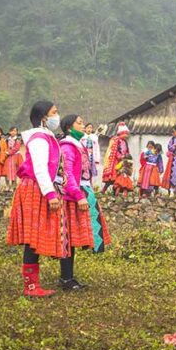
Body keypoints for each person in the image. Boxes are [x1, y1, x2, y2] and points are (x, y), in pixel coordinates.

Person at [6, 101, 65, 298]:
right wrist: (50, 193)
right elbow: (40, 168)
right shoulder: (39, 139)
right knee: (32, 238)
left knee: (35, 237)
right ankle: (31, 286)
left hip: (39, 187)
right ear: (43, 117)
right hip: (35, 188)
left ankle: (33, 284)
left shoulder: (46, 137)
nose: (57, 116)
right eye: (54, 112)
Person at [59, 114, 111, 288]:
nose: (83, 126)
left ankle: (68, 276)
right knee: (69, 237)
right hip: (72, 196)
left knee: (73, 238)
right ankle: (66, 278)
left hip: (81, 192)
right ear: (69, 128)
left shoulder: (78, 145)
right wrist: (79, 195)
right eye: (79, 123)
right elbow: (67, 174)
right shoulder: (67, 147)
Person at [76, 121, 110, 254]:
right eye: (84, 126)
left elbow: (95, 150)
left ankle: (94, 246)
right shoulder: (75, 144)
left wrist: (95, 159)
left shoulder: (92, 139)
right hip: (76, 187)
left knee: (94, 214)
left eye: (89, 127)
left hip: (84, 183)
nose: (87, 129)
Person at [101, 123, 130, 194]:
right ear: (120, 133)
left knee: (120, 177)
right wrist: (120, 156)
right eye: (125, 134)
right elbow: (114, 151)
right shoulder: (116, 140)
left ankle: (115, 192)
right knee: (112, 178)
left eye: (127, 134)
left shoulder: (125, 141)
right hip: (116, 161)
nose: (126, 135)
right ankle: (104, 190)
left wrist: (126, 157)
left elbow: (126, 150)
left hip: (122, 161)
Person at [161, 125, 176, 197]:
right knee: (171, 174)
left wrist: (175, 146)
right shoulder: (172, 139)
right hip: (173, 160)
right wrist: (175, 146)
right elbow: (170, 147)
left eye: (174, 132)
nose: (172, 134)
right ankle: (172, 190)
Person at [3, 127, 23, 191]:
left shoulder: (18, 140)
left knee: (14, 171)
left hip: (15, 156)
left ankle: (13, 186)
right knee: (7, 171)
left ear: (17, 132)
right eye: (12, 131)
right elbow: (4, 147)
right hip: (8, 157)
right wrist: (6, 152)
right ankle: (7, 185)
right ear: (9, 132)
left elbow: (16, 148)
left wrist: (8, 152)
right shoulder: (6, 140)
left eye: (15, 131)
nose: (13, 132)